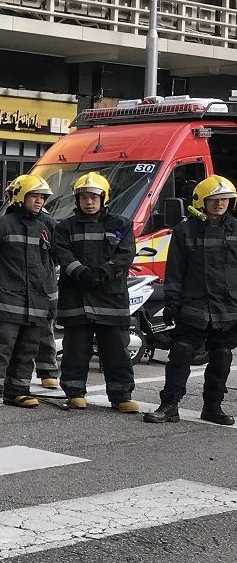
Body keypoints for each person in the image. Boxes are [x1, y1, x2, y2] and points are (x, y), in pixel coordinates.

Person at [144, 175, 237, 425]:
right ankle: (169, 405)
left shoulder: (236, 229)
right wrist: (172, 302)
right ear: (201, 201)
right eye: (214, 199)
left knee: (221, 356)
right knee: (181, 354)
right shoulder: (185, 231)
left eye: (224, 199)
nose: (219, 203)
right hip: (193, 305)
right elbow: (174, 270)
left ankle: (213, 407)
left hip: (227, 308)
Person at [54, 172, 138, 413]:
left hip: (110, 297)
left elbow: (125, 255)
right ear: (77, 200)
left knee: (115, 350)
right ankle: (74, 392)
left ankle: (121, 395)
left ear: (104, 198)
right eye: (83, 197)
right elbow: (63, 254)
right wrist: (81, 272)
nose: (88, 202)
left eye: (93, 197)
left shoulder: (122, 224)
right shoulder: (64, 227)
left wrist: (103, 273)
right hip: (76, 298)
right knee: (75, 349)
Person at [0, 174, 58, 412]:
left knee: (28, 349)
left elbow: (50, 264)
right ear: (20, 196)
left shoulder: (46, 228)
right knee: (1, 347)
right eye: (34, 196)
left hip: (36, 301)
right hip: (7, 301)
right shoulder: (0, 226)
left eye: (42, 197)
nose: (39, 201)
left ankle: (19, 392)